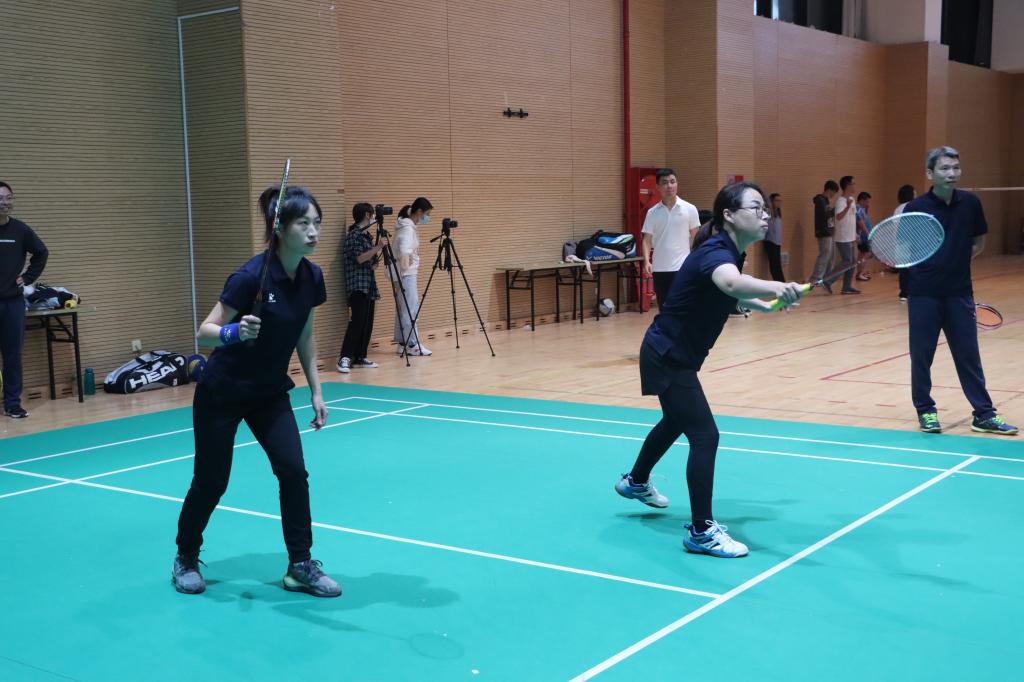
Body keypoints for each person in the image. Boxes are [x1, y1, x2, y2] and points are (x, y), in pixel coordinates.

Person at [615, 182, 805, 558]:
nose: (764, 215)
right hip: (668, 354)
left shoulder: (730, 252)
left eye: (765, 208)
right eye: (755, 208)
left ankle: (636, 481)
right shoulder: (716, 252)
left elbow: (726, 293)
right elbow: (730, 282)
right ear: (729, 215)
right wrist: (777, 286)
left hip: (672, 352)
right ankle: (702, 532)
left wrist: (763, 305)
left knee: (676, 421)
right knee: (705, 435)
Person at [172, 184, 342, 597]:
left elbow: (305, 336)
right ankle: (186, 556)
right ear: (279, 227)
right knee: (212, 481)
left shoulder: (312, 277)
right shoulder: (250, 277)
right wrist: (234, 332)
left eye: (317, 223)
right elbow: (204, 333)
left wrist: (317, 391)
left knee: (293, 471)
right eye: (304, 224)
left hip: (269, 393)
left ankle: (300, 565)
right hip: (223, 392)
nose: (314, 232)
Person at [902, 146, 1017, 436]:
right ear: (930, 173)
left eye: (955, 167)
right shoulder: (916, 208)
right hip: (924, 294)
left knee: (968, 355)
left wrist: (954, 262)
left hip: (959, 293)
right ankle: (926, 411)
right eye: (944, 168)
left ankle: (984, 414)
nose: (951, 173)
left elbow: (978, 243)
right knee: (922, 356)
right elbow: (905, 249)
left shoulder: (971, 204)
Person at [0, 181, 49, 419]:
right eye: (0, 198)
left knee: (12, 357)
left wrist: (28, 278)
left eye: (8, 198)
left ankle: (12, 404)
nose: (4, 202)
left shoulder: (20, 230)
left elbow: (41, 253)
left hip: (12, 304)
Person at [641, 168, 701, 309]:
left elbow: (696, 238)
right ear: (658, 187)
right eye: (665, 183)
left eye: (672, 182)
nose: (669, 186)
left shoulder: (690, 209)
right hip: (659, 268)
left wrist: (695, 261)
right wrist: (647, 261)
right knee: (664, 308)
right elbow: (647, 239)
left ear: (677, 183)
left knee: (683, 307)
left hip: (683, 267)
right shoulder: (652, 213)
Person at [337, 202, 384, 373]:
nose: (374, 217)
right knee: (357, 321)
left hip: (368, 285)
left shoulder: (366, 236)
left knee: (367, 322)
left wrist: (374, 262)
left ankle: (360, 356)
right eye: (372, 214)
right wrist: (379, 247)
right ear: (367, 215)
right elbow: (359, 258)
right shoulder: (354, 236)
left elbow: (368, 261)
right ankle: (345, 357)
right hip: (357, 285)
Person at [390, 197, 432, 356]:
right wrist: (407, 268)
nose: (427, 217)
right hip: (406, 275)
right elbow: (404, 251)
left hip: (402, 275)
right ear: (419, 212)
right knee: (410, 309)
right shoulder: (407, 228)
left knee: (403, 309)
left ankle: (403, 342)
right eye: (427, 214)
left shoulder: (405, 226)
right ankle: (413, 344)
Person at [832, 175, 860, 294]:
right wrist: (847, 207)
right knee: (847, 261)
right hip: (842, 236)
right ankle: (828, 280)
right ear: (847, 185)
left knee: (852, 263)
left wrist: (855, 233)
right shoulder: (841, 201)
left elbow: (853, 217)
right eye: (853, 183)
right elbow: (839, 217)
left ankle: (846, 287)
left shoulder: (852, 199)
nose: (854, 186)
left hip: (850, 236)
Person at [810, 180, 838, 292]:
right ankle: (815, 279)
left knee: (829, 256)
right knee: (824, 255)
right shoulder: (820, 200)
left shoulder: (826, 201)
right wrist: (834, 210)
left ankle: (825, 279)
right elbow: (824, 216)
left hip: (828, 231)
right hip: (823, 232)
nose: (833, 195)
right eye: (833, 192)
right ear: (829, 190)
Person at [894, 184, 916, 301]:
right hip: (911, 241)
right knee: (913, 268)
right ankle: (912, 291)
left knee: (903, 269)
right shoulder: (913, 206)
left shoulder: (897, 209)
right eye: (914, 192)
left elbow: (895, 226)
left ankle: (904, 293)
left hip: (900, 241)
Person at [764, 193, 785, 281]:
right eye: (777, 200)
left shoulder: (778, 213)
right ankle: (780, 283)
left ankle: (782, 283)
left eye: (780, 201)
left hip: (777, 242)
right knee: (774, 265)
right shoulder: (768, 213)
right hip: (770, 241)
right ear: (772, 201)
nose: (779, 203)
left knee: (778, 264)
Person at [854, 191, 873, 282]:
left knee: (863, 254)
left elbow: (864, 220)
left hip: (865, 235)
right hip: (863, 236)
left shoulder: (862, 209)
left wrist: (867, 210)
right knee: (865, 254)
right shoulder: (858, 208)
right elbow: (860, 222)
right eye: (867, 201)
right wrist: (868, 233)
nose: (868, 204)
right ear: (861, 200)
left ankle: (860, 272)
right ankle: (859, 273)